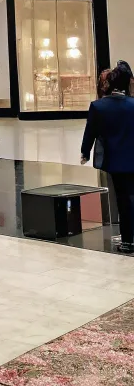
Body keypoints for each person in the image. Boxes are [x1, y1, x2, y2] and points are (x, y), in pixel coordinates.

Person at [82, 63, 134, 253]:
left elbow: (91, 131)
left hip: (115, 160)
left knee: (123, 199)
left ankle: (128, 241)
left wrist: (84, 152)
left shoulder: (99, 106)